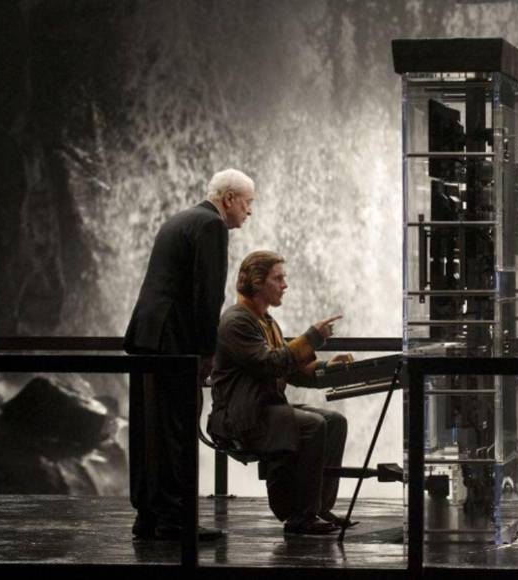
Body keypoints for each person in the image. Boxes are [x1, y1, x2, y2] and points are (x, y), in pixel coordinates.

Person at [124, 168, 255, 540]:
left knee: (149, 431)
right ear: (229, 198)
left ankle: (148, 515)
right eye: (248, 203)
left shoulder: (179, 220)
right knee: (176, 430)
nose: (249, 212)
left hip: (148, 335)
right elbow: (207, 295)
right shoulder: (211, 226)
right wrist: (206, 352)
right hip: (173, 341)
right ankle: (175, 520)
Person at [207, 250, 352, 535]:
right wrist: (312, 337)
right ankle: (300, 516)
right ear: (257, 282)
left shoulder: (266, 321)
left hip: (265, 411)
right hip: (241, 417)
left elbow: (292, 370)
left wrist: (328, 368)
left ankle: (318, 507)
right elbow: (271, 364)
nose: (285, 285)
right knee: (313, 425)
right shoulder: (237, 321)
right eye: (278, 278)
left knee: (335, 421)